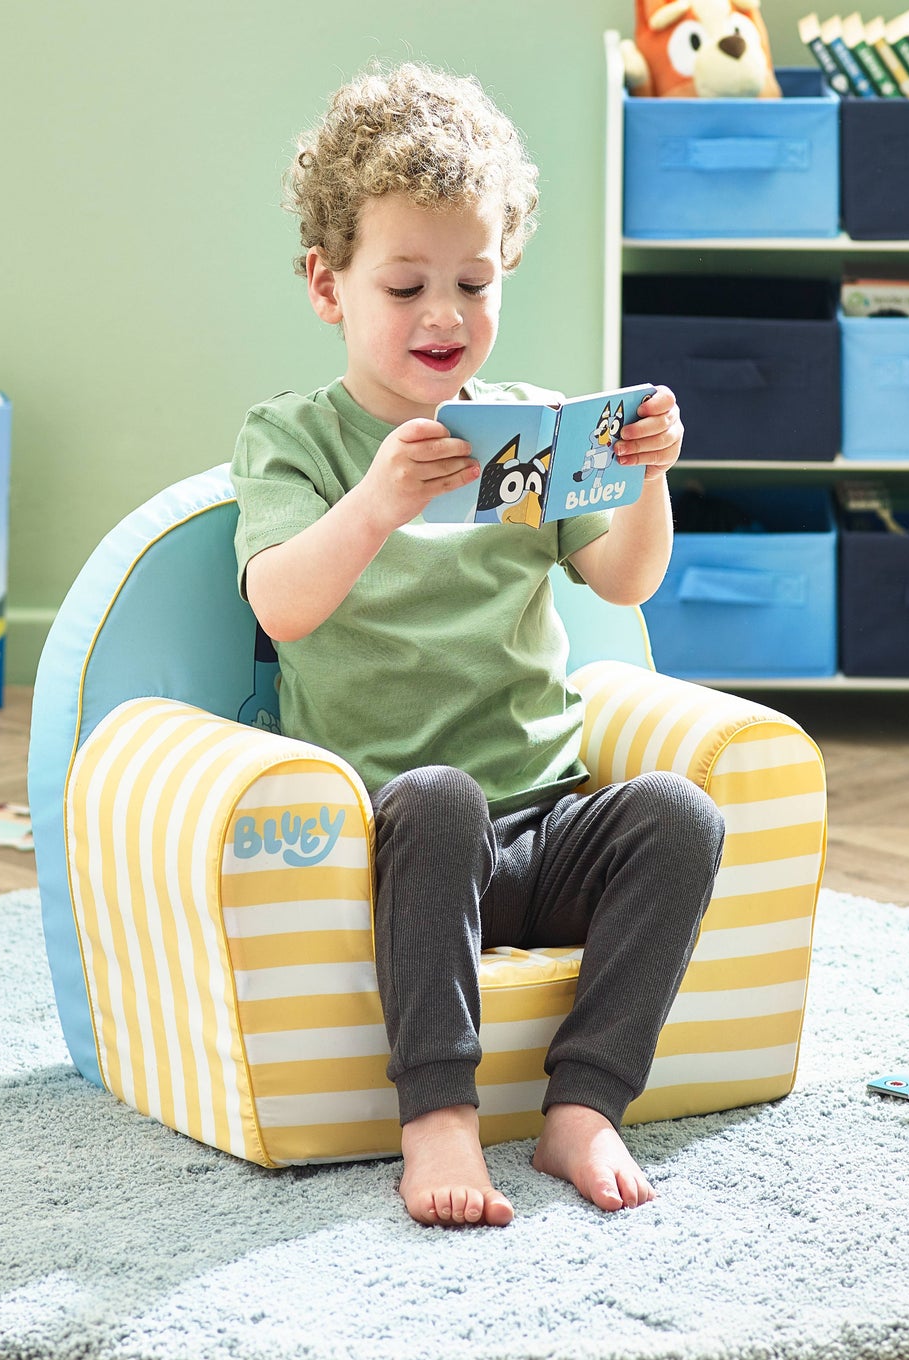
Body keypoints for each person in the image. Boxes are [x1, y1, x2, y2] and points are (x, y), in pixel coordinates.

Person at [231, 62, 725, 1228]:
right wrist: (373, 501)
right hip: (401, 834)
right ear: (327, 284)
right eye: (404, 285)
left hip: (545, 820)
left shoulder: (526, 433)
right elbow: (279, 606)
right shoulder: (294, 438)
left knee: (678, 814)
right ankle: (438, 1109)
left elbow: (623, 577)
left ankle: (583, 1102)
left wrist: (650, 477)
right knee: (441, 794)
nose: (443, 314)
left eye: (473, 279)